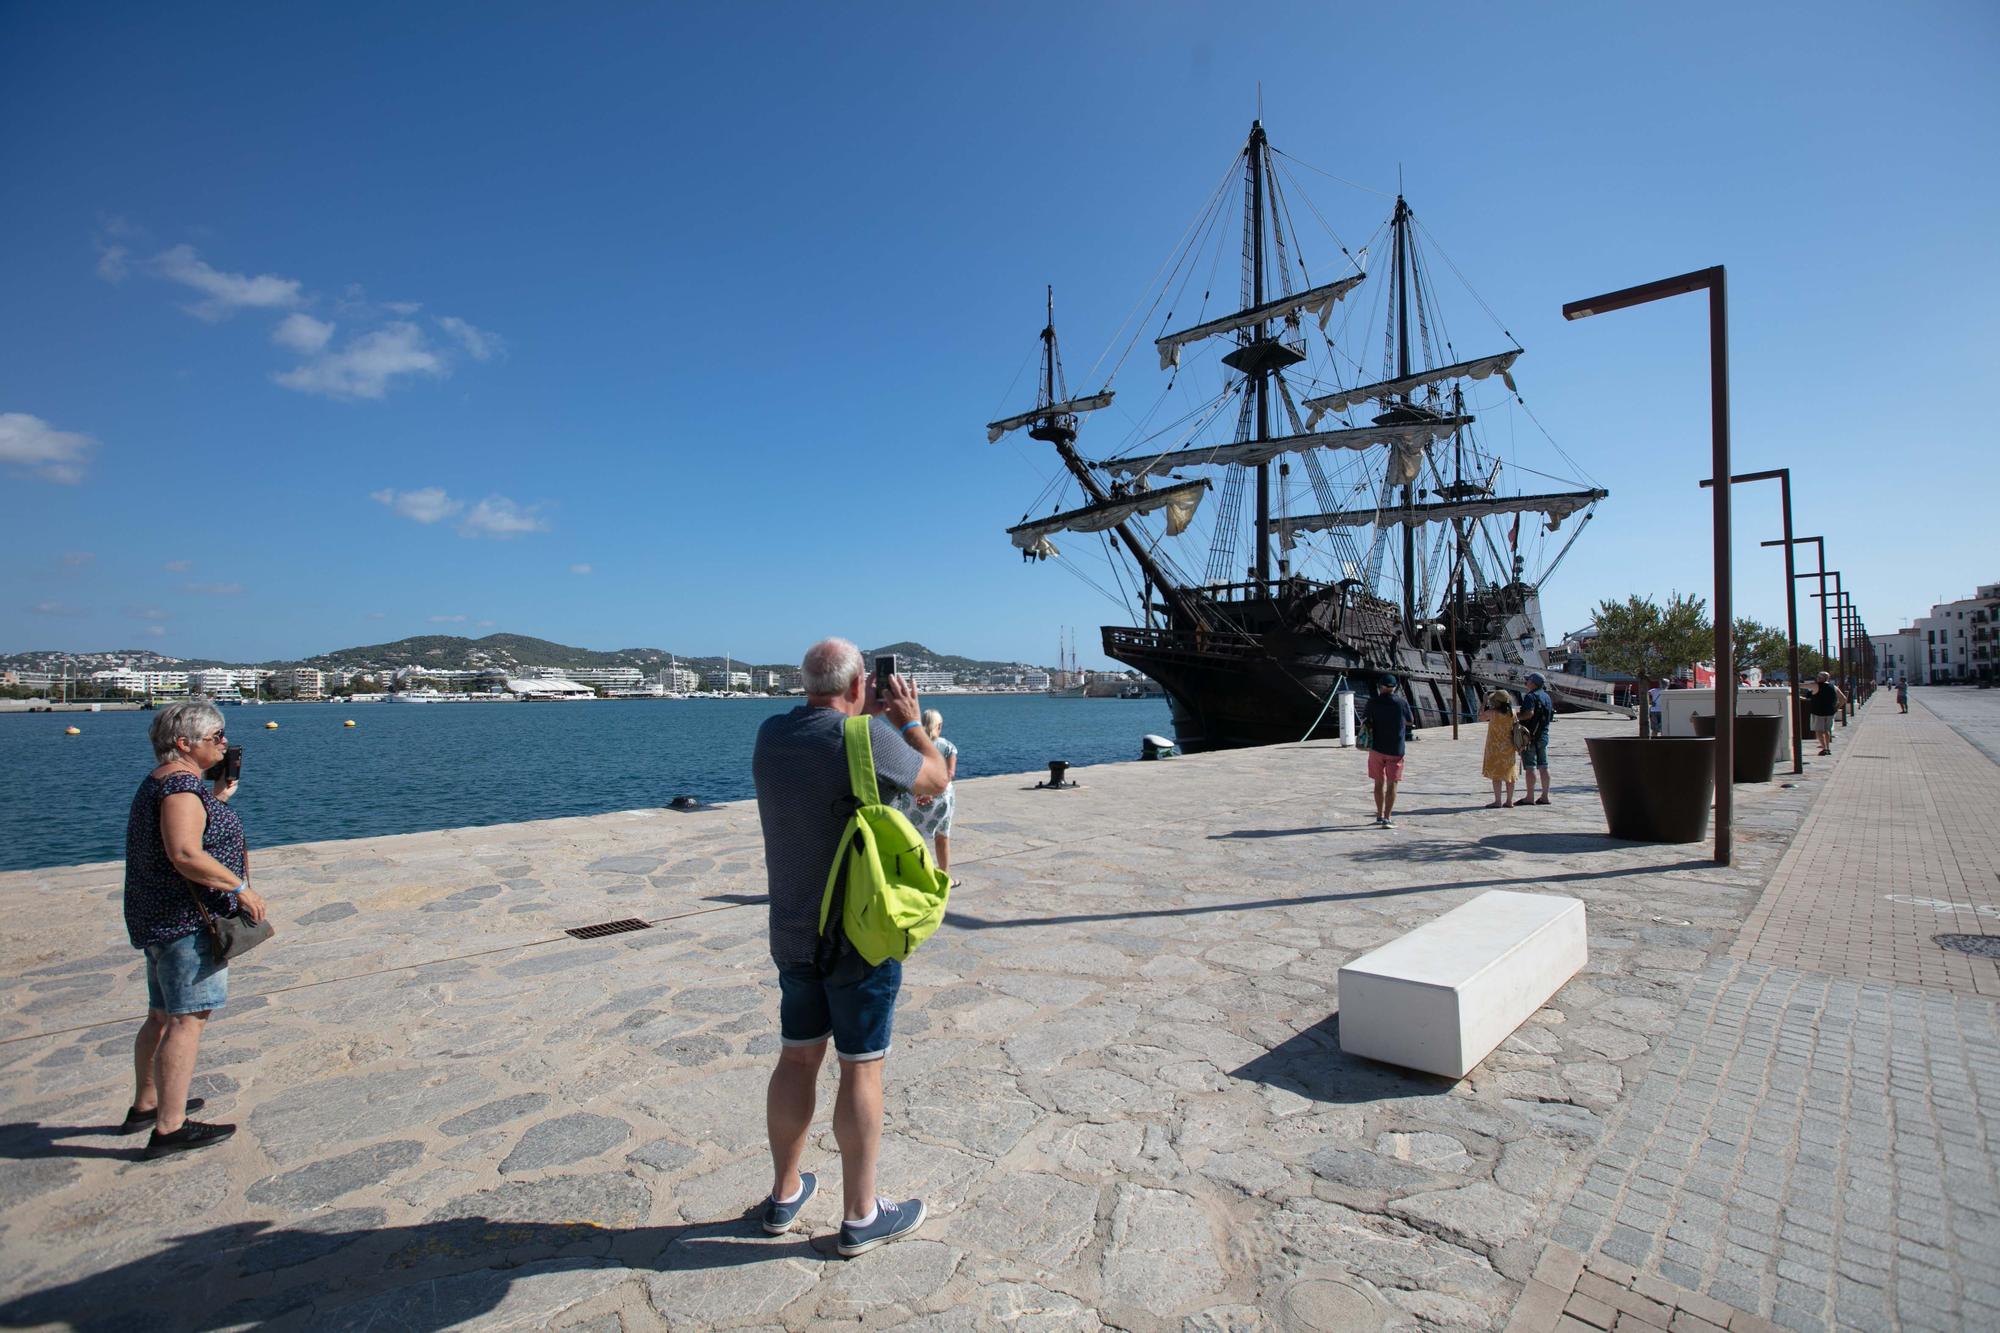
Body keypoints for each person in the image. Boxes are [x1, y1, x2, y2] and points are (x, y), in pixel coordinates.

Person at [750, 638, 947, 1256]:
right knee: (861, 1066)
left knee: (798, 1057)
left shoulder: (771, 736)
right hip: (859, 932)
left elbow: (826, 755)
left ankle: (785, 1194)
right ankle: (861, 1215)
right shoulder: (869, 740)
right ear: (862, 684)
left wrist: (867, 722)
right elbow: (935, 782)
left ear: (803, 682)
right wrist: (910, 722)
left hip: (793, 931)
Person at [122, 698, 267, 1158]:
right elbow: (184, 853)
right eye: (216, 738)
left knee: (161, 1015)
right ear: (184, 743)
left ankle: (148, 1104)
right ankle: (169, 1127)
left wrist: (219, 798)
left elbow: (188, 832)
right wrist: (239, 888)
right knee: (187, 1020)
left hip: (161, 917)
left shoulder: (167, 782)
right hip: (187, 922)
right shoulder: (182, 788)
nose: (223, 745)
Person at [894, 709, 957, 877]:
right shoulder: (948, 747)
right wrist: (932, 793)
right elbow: (949, 774)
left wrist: (919, 792)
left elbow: (904, 773)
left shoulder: (911, 744)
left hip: (914, 798)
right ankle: (945, 876)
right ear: (939, 726)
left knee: (912, 836)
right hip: (940, 799)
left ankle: (914, 874)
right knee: (942, 836)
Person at [1361, 676, 1414, 828]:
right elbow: (1410, 720)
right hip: (1395, 749)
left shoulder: (1373, 702)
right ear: (1395, 687)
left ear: (1380, 686)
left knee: (1378, 783)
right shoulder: (1401, 702)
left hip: (1376, 748)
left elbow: (1365, 719)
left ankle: (1378, 815)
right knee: (1392, 785)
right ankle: (1387, 818)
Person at [1517, 671, 1555, 805]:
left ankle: (1530, 797)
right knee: (1544, 765)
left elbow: (1529, 714)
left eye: (1527, 680)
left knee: (1530, 767)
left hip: (1530, 736)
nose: (1526, 682)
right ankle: (1545, 796)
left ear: (1533, 683)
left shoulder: (1530, 696)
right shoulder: (1547, 697)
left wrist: (1516, 716)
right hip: (1543, 735)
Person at [1479, 689, 1521, 808]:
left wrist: (1484, 702)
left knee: (1496, 775)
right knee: (1509, 774)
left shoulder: (1492, 713)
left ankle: (1498, 801)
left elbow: (1481, 717)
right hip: (1509, 746)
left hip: (1495, 747)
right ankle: (1509, 800)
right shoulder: (1512, 712)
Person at [1807, 670, 1843, 754]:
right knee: (1827, 730)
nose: (1817, 678)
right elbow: (1843, 698)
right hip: (1830, 712)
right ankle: (1827, 747)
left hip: (1818, 712)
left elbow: (1803, 687)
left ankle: (1824, 748)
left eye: (1819, 677)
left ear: (1822, 678)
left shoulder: (1816, 686)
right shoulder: (1833, 687)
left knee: (1819, 730)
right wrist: (1836, 707)